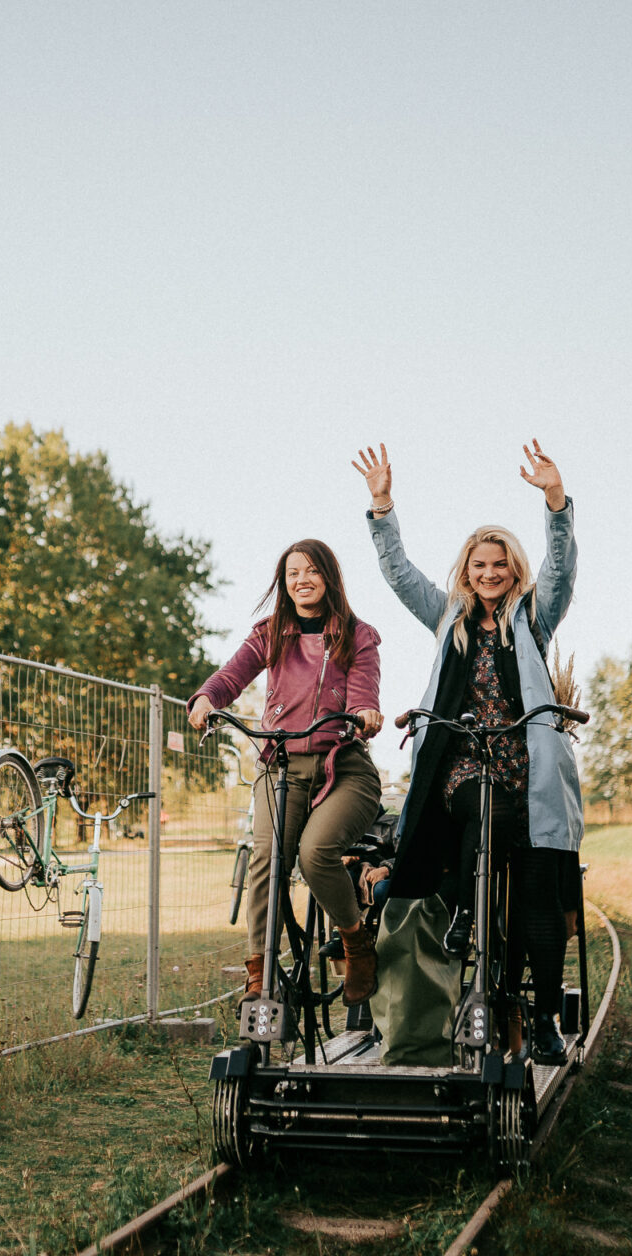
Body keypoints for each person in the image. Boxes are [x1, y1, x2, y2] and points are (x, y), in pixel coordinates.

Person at [354, 440, 580, 1062]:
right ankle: (460, 903)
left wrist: (556, 503)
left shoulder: (533, 618)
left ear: (513, 571)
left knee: (538, 895)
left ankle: (541, 1020)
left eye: (499, 565)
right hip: (463, 764)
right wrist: (382, 507)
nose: (488, 574)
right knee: (478, 801)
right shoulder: (447, 616)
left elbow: (562, 572)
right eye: (479, 565)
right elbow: (399, 575)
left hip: (526, 768)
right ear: (466, 570)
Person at [187, 539, 385, 1005]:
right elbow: (232, 675)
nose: (302, 580)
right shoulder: (271, 632)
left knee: (316, 852)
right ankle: (259, 971)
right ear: (284, 582)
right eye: (293, 572)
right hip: (281, 764)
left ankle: (357, 945)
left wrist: (364, 711)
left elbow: (364, 689)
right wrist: (207, 697)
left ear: (329, 578)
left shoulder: (358, 635)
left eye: (312, 571)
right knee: (267, 858)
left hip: (345, 766)